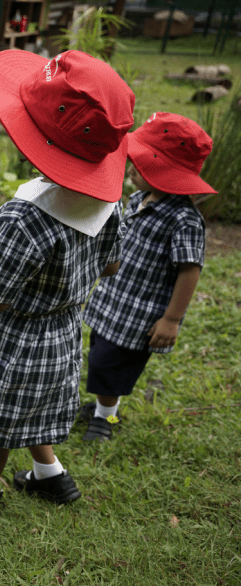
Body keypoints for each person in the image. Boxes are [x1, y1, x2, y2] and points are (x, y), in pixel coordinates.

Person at [0, 50, 134, 511]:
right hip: (63, 333)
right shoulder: (108, 204)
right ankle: (49, 474)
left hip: (17, 340)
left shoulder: (25, 219)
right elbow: (112, 266)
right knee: (33, 404)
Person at [80, 113, 214, 441]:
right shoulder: (139, 199)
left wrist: (171, 319)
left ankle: (105, 417)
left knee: (112, 365)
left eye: (138, 165)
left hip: (139, 314)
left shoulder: (184, 220)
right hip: (113, 299)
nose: (131, 170)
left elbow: (189, 270)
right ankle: (102, 405)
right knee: (99, 357)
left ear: (162, 170)